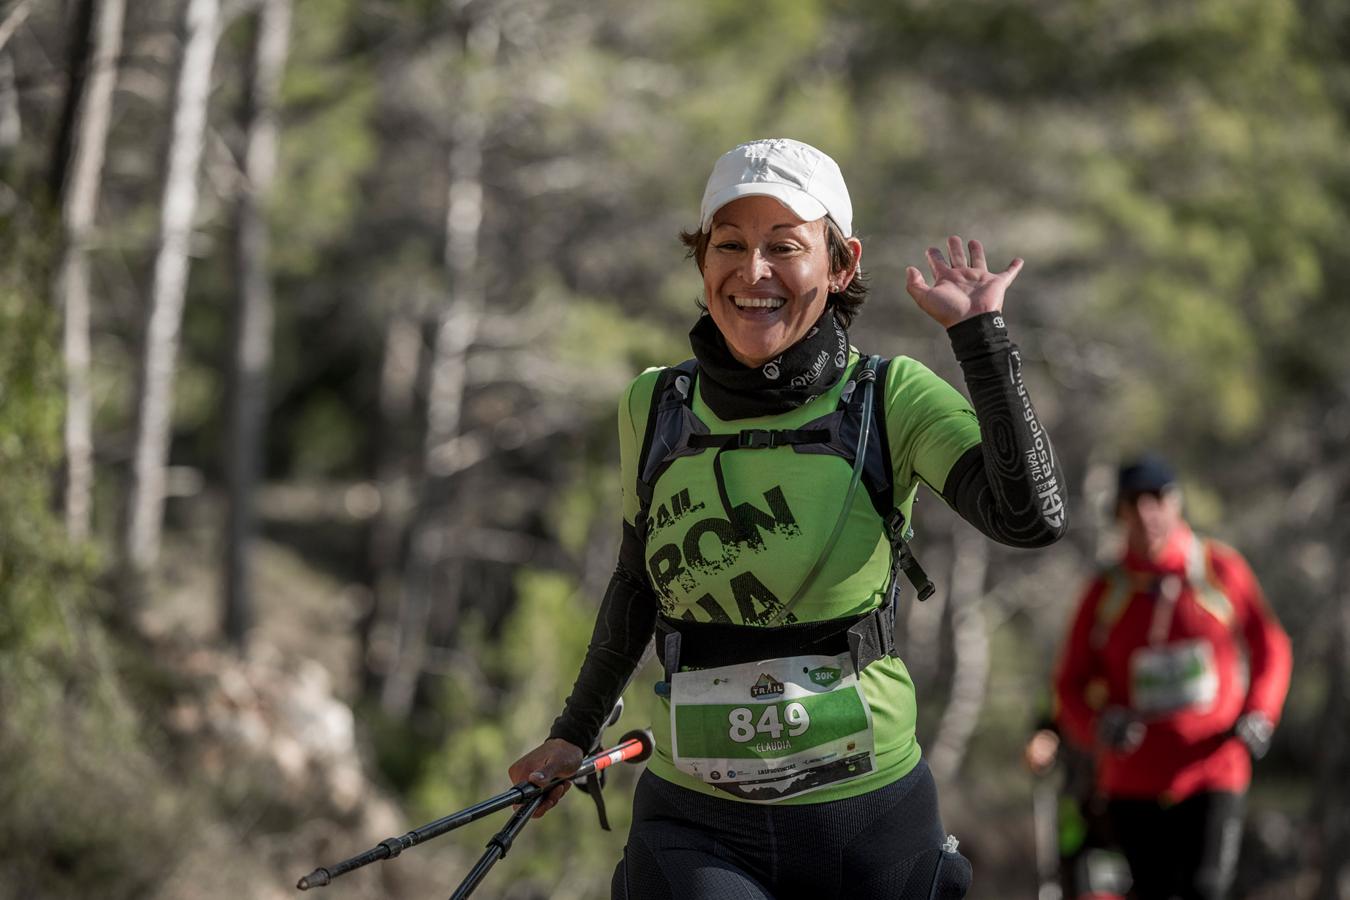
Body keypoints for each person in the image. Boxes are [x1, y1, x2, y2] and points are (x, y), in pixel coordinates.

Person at [509, 137, 1068, 900]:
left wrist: (981, 340)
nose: (753, 272)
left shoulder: (889, 397)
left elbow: (1032, 519)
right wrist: (574, 733)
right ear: (702, 261)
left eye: (785, 246)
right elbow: (638, 583)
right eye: (729, 245)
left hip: (868, 820)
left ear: (841, 265)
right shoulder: (653, 405)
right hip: (697, 824)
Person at [1053, 455, 1292, 900]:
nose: (1147, 513)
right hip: (1133, 781)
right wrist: (1098, 726)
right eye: (1133, 502)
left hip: (1214, 768)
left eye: (1157, 498)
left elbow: (1271, 646)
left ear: (1177, 503)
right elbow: (1069, 684)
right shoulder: (1105, 591)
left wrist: (1261, 712)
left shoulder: (1219, 570)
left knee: (1206, 888)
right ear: (1119, 514)